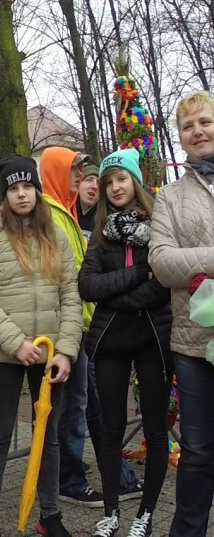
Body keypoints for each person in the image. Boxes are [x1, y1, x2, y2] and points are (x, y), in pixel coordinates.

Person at [0, 155, 81, 537]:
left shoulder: (58, 237)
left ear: (37, 190)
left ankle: (50, 515)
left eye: (27, 187)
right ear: (5, 195)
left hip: (50, 357)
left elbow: (71, 296)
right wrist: (15, 343)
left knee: (47, 437)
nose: (21, 194)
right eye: (13, 188)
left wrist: (65, 350)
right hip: (5, 355)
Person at [42, 147, 142, 506]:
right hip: (69, 328)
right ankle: (68, 480)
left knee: (89, 406)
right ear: (56, 172)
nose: (80, 176)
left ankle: (103, 476)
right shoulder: (51, 216)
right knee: (75, 408)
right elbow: (68, 278)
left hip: (84, 324)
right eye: (74, 170)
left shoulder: (67, 214)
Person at [79, 149, 171, 537]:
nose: (116, 187)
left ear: (134, 181)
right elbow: (87, 286)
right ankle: (112, 512)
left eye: (122, 179)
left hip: (153, 340)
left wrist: (117, 293)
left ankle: (145, 514)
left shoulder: (161, 226)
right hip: (111, 344)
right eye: (108, 182)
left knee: (154, 429)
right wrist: (135, 275)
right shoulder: (100, 236)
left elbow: (162, 283)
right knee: (111, 428)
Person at [149, 90, 214, 537]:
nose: (198, 131)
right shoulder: (170, 197)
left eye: (205, 122)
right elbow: (163, 262)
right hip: (195, 344)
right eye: (188, 126)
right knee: (197, 450)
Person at [77, 163, 100, 236]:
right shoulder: (67, 211)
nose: (95, 186)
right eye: (89, 180)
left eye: (99, 183)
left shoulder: (104, 217)